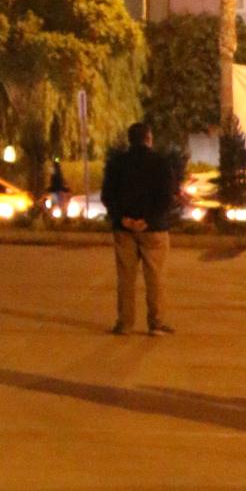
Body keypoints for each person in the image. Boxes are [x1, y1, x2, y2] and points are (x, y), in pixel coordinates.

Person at [101, 119, 178, 336]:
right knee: (155, 277)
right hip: (154, 230)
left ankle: (125, 323)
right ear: (149, 139)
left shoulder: (117, 163)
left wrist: (123, 218)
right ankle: (156, 322)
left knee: (126, 277)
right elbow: (166, 197)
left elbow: (107, 195)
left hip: (124, 229)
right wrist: (148, 220)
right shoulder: (161, 162)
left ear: (130, 140)